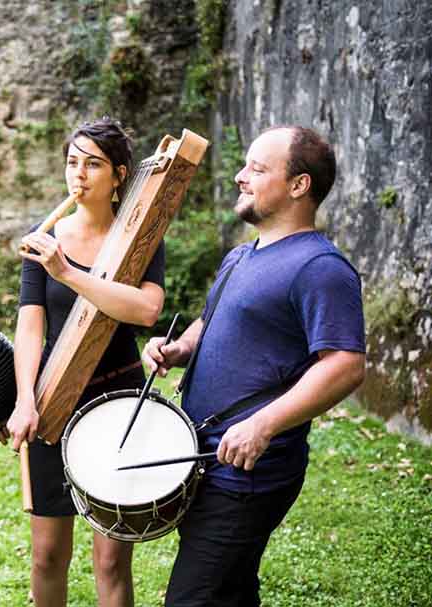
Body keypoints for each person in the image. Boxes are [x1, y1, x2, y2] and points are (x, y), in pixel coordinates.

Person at [141, 126, 366, 607]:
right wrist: (178, 348)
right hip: (205, 457)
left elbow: (345, 364)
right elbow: (213, 318)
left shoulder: (321, 268)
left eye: (257, 169)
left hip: (248, 472)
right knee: (232, 591)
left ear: (298, 185)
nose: (241, 177)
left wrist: (262, 425)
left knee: (192, 598)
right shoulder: (242, 254)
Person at [7, 117, 166, 607]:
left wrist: (68, 273)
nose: (78, 174)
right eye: (72, 162)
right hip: (55, 400)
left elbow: (145, 310)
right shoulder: (46, 234)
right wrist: (24, 400)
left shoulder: (141, 234)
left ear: (119, 175)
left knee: (111, 560)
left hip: (120, 401)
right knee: (48, 556)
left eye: (92, 164)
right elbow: (31, 325)